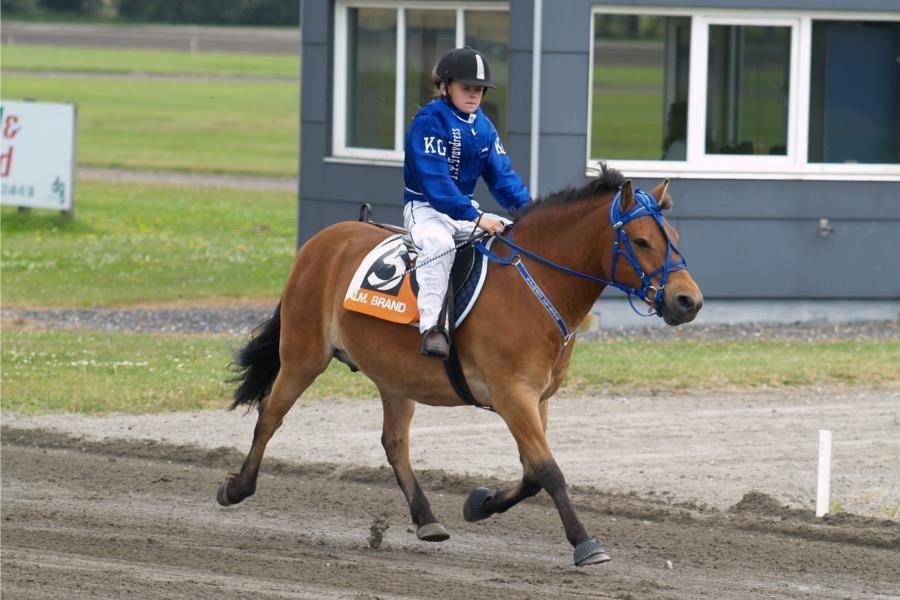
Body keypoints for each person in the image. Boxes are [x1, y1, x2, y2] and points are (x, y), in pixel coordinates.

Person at [403, 46, 531, 360]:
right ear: (444, 86)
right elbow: (437, 184)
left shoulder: (484, 127)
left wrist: (533, 213)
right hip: (425, 210)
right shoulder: (429, 121)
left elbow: (503, 178)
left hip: (465, 212)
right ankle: (433, 329)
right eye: (466, 88)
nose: (474, 95)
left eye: (479, 90)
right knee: (439, 245)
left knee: (518, 240)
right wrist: (476, 217)